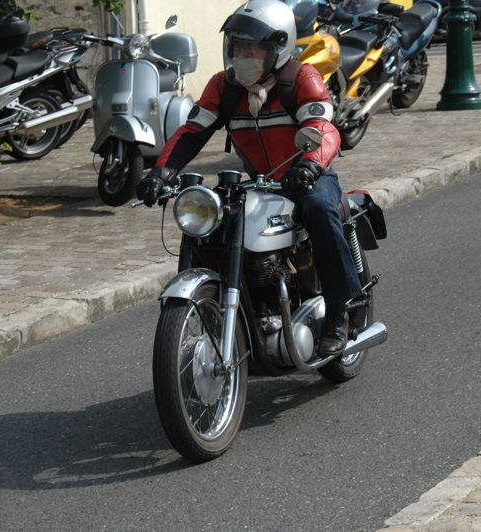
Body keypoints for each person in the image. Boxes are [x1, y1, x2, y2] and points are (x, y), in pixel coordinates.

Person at [136, 0, 362, 356]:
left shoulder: (301, 79)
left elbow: (322, 128)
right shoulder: (223, 87)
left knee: (319, 208)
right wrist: (161, 172)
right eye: (238, 47)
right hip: (260, 182)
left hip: (307, 176)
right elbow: (193, 131)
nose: (243, 56)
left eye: (253, 49)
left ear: (278, 47)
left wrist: (308, 166)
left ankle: (339, 310)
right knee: (212, 223)